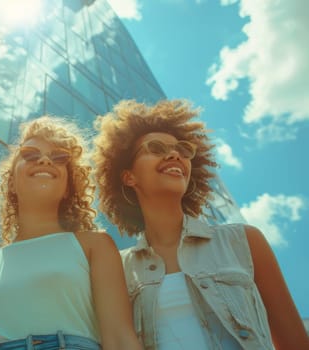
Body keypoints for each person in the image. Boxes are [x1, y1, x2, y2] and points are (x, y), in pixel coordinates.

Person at [92, 99, 309, 349]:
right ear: (129, 176)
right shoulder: (117, 270)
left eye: (182, 150)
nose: (174, 155)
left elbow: (295, 342)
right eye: (156, 147)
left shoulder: (244, 240)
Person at [0, 116, 142, 350]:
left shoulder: (94, 246)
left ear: (68, 186)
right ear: (11, 181)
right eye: (30, 155)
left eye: (59, 157)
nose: (45, 160)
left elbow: (119, 339)